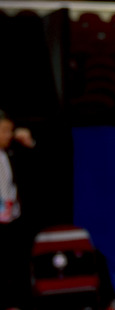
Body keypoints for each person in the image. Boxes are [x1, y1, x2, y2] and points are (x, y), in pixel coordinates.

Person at [0, 109, 35, 310]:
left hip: (13, 221)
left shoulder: (12, 152)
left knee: (17, 268)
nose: (9, 135)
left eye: (10, 130)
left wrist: (28, 143)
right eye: (4, 130)